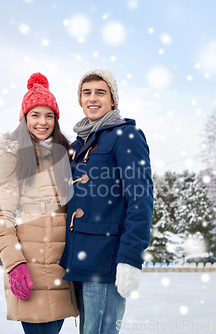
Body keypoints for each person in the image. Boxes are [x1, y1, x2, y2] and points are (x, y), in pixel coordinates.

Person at [59, 69, 154, 334]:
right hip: (81, 260)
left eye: (101, 92)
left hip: (107, 261)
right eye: (86, 93)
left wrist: (130, 257)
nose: (93, 98)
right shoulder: (81, 143)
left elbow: (141, 199)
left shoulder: (127, 136)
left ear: (113, 100)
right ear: (80, 100)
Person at [0, 72, 79, 334]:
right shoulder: (13, 154)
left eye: (49, 115)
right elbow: (1, 215)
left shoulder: (65, 155)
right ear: (24, 118)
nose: (43, 122)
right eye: (35, 115)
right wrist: (15, 264)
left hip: (61, 267)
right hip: (30, 267)